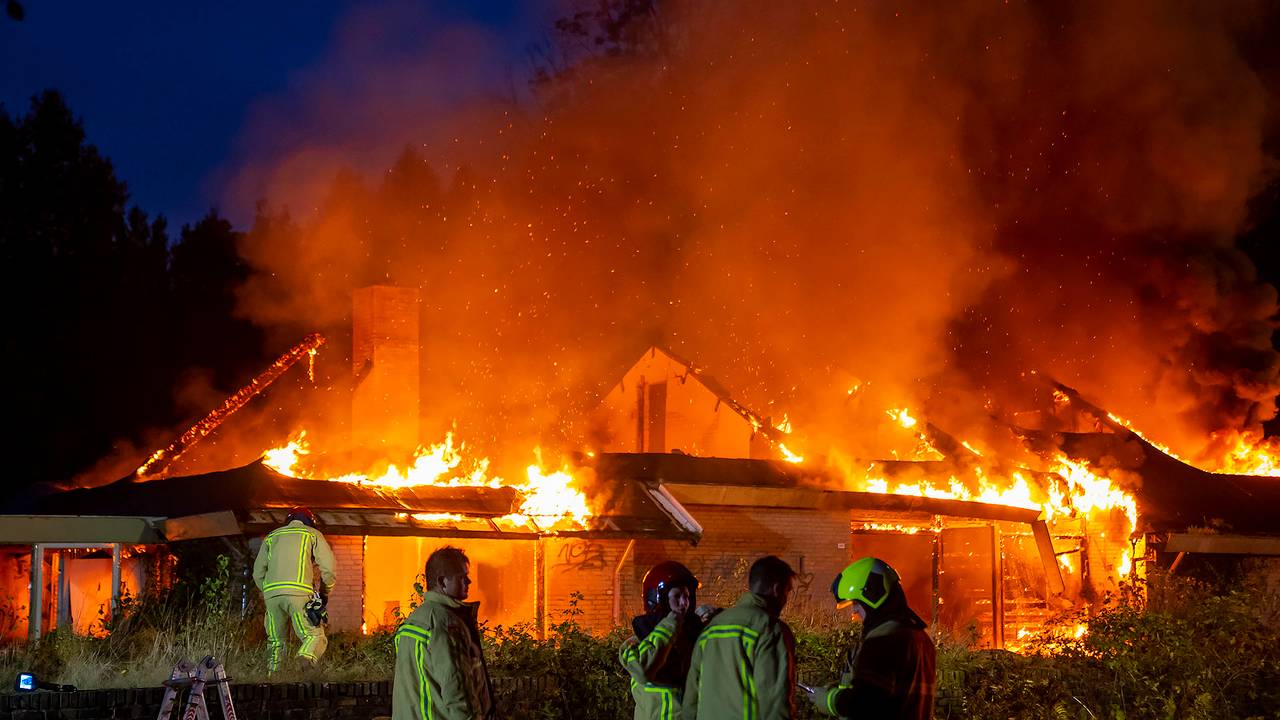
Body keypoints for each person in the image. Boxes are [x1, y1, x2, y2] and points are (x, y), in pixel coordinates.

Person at [805, 557, 936, 720]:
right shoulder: (921, 638)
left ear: (872, 596)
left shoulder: (882, 642)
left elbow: (865, 704)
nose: (854, 610)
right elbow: (888, 695)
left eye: (856, 603)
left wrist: (829, 700)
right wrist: (845, 690)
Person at [684, 555, 797, 720]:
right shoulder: (770, 629)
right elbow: (775, 704)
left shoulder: (711, 629)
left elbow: (691, 701)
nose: (786, 599)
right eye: (787, 591)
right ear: (776, 589)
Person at [393, 546, 496, 720]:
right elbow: (457, 691)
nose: (468, 582)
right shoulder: (446, 624)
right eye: (461, 577)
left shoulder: (413, 620)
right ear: (442, 582)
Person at [252, 506, 337, 672]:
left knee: (276, 641)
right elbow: (328, 568)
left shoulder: (271, 537)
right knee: (314, 636)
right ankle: (304, 658)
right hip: (299, 593)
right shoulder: (312, 534)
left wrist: (269, 591)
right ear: (310, 522)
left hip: (271, 595)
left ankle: (274, 680)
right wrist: (325, 593)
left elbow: (257, 573)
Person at [619, 561, 708, 720]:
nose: (684, 603)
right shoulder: (633, 645)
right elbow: (643, 671)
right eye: (677, 596)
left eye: (687, 596)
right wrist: (669, 624)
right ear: (658, 598)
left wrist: (714, 621)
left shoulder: (693, 640)